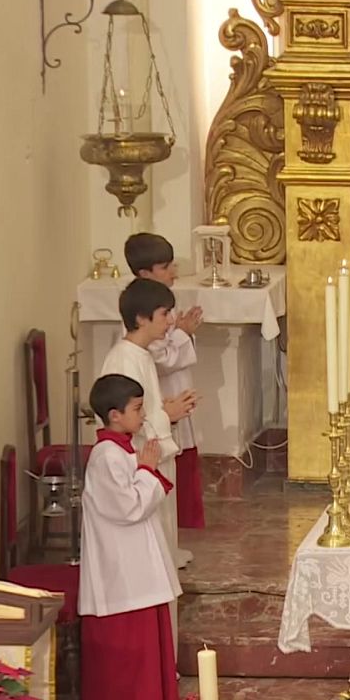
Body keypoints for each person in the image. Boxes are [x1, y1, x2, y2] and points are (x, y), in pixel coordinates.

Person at [77, 373, 182, 700]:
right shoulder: (106, 456)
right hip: (119, 565)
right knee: (129, 633)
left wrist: (143, 467)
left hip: (134, 560)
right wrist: (147, 470)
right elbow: (127, 507)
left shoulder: (119, 450)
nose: (142, 415)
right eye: (137, 409)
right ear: (114, 415)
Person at [100, 278, 197, 573]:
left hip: (153, 462)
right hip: (138, 468)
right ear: (142, 318)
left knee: (164, 542)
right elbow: (124, 423)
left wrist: (166, 408)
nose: (170, 322)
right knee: (151, 556)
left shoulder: (139, 355)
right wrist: (167, 414)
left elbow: (141, 408)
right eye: (164, 314)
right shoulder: (124, 360)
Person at [125, 232, 206, 549]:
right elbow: (158, 358)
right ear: (145, 273)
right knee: (167, 469)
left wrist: (180, 331)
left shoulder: (160, 303)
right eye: (165, 266)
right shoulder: (140, 309)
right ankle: (165, 548)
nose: (173, 271)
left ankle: (171, 546)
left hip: (172, 401)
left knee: (179, 463)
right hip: (160, 404)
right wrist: (183, 333)